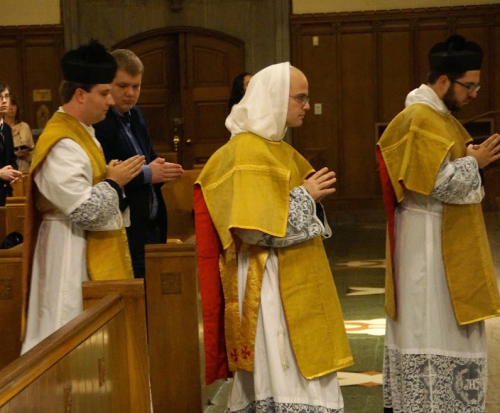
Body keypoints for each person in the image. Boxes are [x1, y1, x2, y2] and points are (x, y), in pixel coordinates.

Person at [194, 62, 352, 412]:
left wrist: (307, 198)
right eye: (301, 97)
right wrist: (306, 196)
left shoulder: (278, 148)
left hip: (292, 273)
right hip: (265, 282)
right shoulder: (246, 150)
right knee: (283, 375)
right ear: (274, 98)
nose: (307, 105)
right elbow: (253, 229)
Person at [377, 34, 500, 412]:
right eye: (469, 85)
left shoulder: (440, 118)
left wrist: (472, 162)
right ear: (443, 81)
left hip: (445, 237)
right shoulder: (419, 118)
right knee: (430, 324)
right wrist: (475, 163)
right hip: (426, 243)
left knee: (450, 326)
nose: (475, 93)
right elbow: (435, 184)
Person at [21, 40, 145, 353]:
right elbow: (86, 210)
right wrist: (114, 183)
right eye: (104, 93)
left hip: (80, 244)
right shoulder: (62, 141)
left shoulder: (82, 130)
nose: (110, 100)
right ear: (80, 94)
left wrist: (108, 178)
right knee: (68, 334)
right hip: (67, 251)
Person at [94, 49, 184, 279]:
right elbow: (106, 171)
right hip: (125, 226)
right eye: (123, 86)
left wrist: (160, 167)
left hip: (151, 224)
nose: (130, 93)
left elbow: (147, 156)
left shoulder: (137, 115)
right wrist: (149, 173)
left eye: (136, 86)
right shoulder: (100, 121)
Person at [0, 82, 22, 206]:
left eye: (7, 96)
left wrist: (13, 171)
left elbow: (11, 159)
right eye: (0, 97)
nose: (4, 101)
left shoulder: (7, 129)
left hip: (4, 195)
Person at [4, 95, 35, 171]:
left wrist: (25, 154)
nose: (11, 108)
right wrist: (13, 154)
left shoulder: (24, 126)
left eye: (13, 104)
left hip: (23, 168)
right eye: (9, 104)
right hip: (5, 170)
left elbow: (33, 153)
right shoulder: (2, 128)